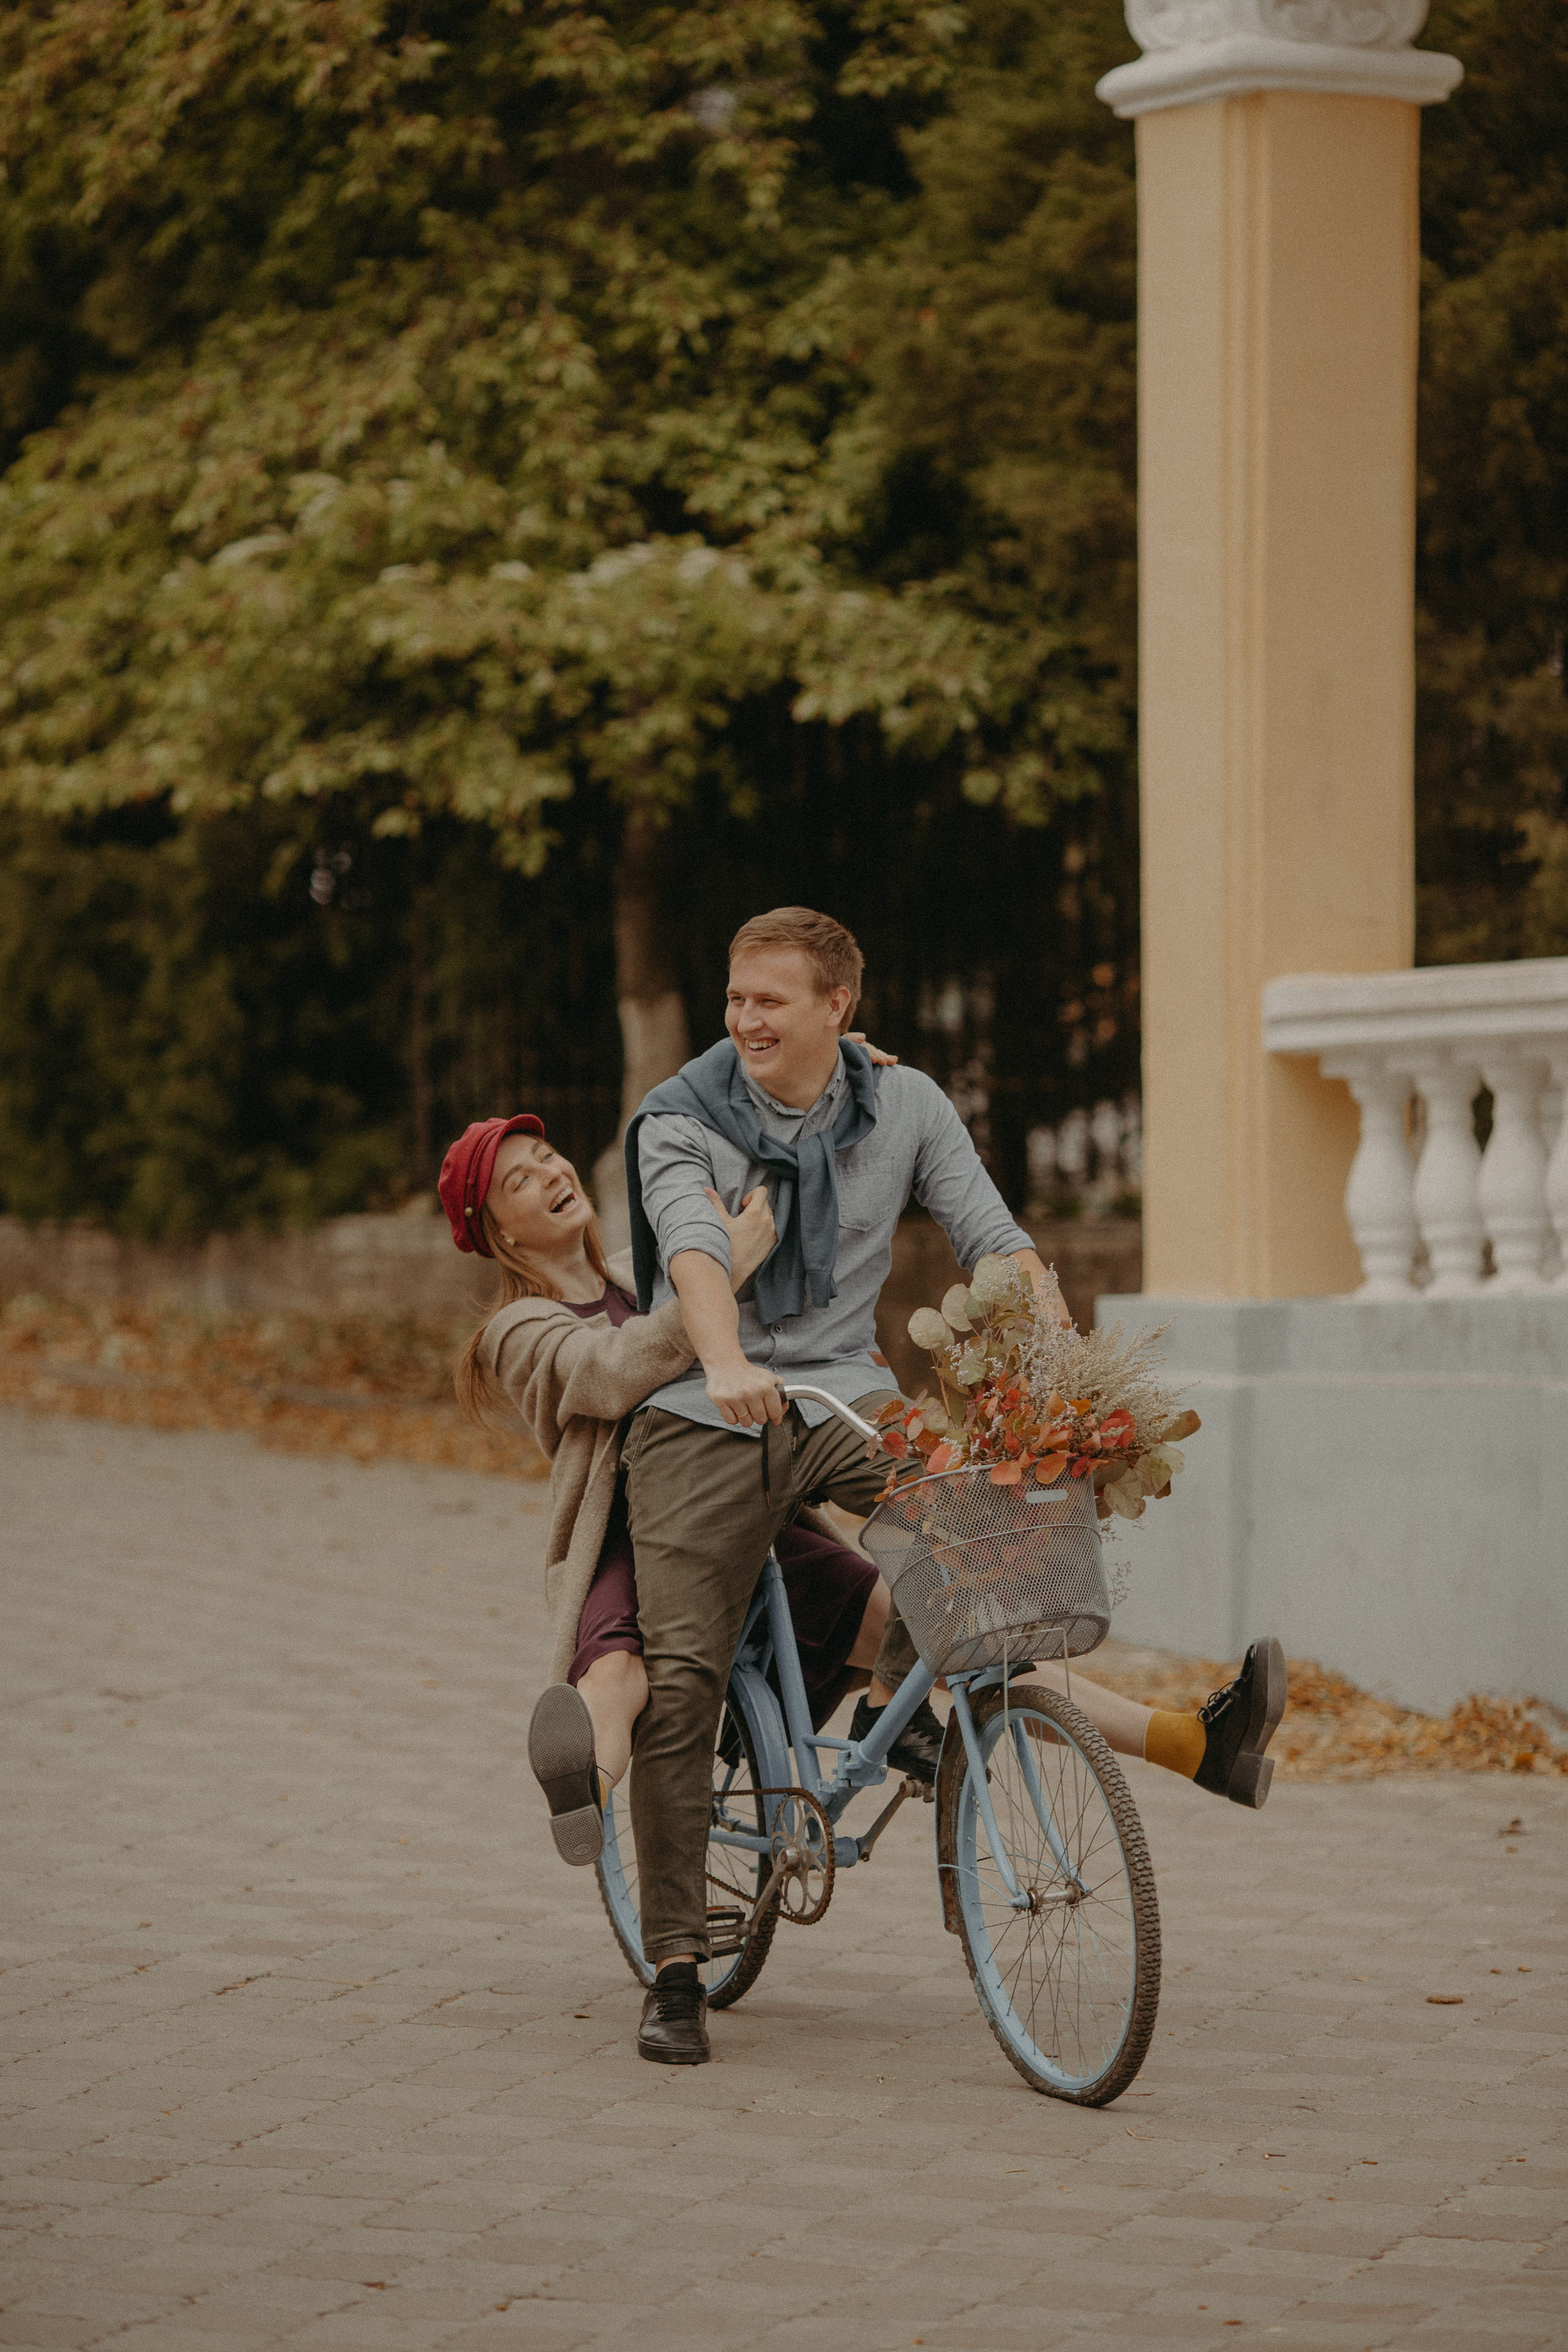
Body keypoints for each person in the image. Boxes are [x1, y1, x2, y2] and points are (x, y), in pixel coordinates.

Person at [609, 905, 1286, 2065]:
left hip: (843, 1393)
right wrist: (720, 1361)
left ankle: (896, 1718)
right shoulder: (681, 1119)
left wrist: (1067, 1376)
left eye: (770, 999)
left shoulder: (904, 1103)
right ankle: (676, 1963)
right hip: (700, 1414)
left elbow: (994, 1239)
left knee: (979, 1539)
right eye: (735, 999)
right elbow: (691, 1253)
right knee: (681, 1678)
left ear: (839, 1008)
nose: (744, 1020)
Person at [441, 1110, 894, 1865]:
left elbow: (755, 1174)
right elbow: (611, 1372)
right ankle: (584, 1790)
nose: (553, 1174)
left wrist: (840, 1074)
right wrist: (722, 1278)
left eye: (551, 1157)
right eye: (520, 1180)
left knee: (906, 1615)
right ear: (500, 1234)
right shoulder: (516, 1330)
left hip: (736, 1502)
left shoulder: (644, 1272)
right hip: (623, 1529)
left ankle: (1141, 1734)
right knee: (616, 1674)